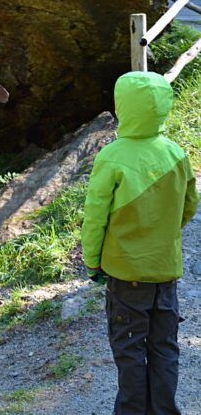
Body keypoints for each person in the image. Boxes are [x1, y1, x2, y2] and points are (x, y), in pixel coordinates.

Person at [81, 71, 198, 415]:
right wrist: (163, 231)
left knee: (130, 348)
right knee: (164, 346)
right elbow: (189, 205)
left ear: (122, 107)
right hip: (165, 271)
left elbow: (95, 217)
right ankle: (164, 410)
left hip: (125, 273)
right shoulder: (176, 153)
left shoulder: (112, 157)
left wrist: (93, 260)